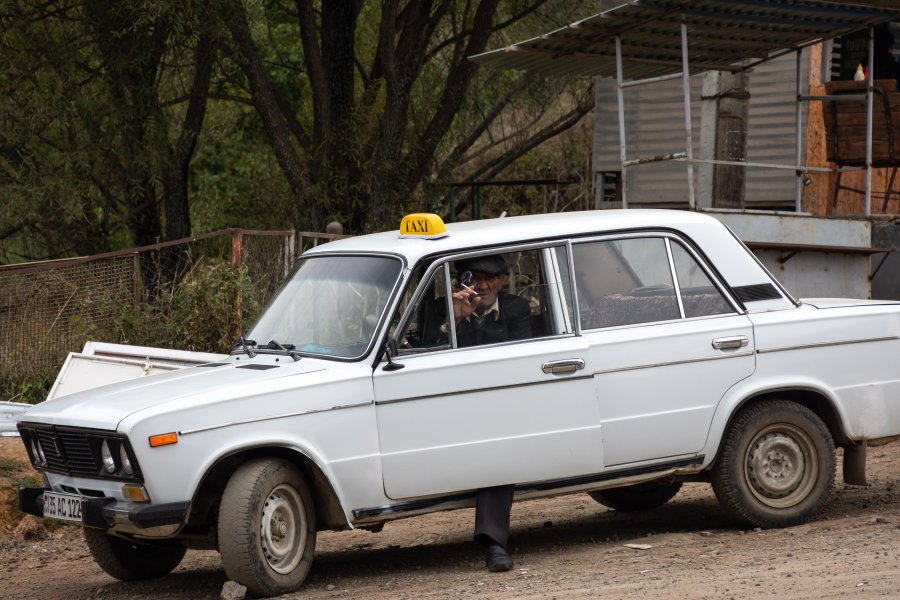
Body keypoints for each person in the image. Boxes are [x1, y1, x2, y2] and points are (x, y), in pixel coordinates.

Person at [450, 254, 532, 572]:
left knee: (498, 446)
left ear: (500, 281)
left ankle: (494, 542)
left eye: (491, 278)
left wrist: (485, 321)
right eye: (475, 278)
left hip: (501, 402)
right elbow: (424, 346)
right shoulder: (445, 307)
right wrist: (458, 318)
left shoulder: (516, 309)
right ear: (463, 280)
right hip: (452, 401)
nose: (482, 286)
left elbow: (521, 357)